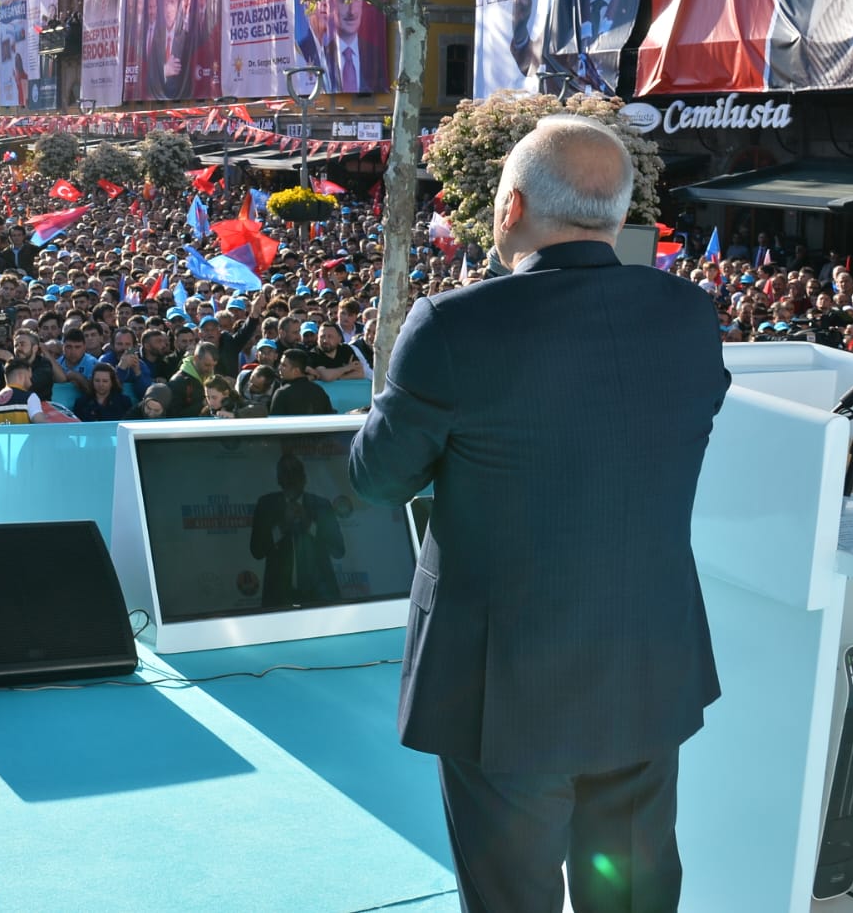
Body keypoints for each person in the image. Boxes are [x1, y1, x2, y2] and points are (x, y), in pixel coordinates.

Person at [349, 114, 729, 913]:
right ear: (619, 214)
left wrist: (393, 401)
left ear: (510, 206)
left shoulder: (454, 325)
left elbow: (379, 479)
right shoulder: (691, 317)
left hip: (504, 685)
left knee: (511, 898)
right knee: (632, 892)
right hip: (646, 663)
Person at [250, 450, 345, 607]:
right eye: (285, 473)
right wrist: (282, 526)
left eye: (295, 472)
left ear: (304, 478)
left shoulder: (321, 505)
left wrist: (310, 524)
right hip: (278, 598)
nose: (291, 478)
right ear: (279, 479)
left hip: (321, 596)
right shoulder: (266, 505)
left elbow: (338, 550)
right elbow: (256, 551)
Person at [268, 349, 335, 416]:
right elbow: (330, 417)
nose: (279, 368)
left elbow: (275, 423)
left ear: (296, 371)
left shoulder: (282, 393)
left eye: (284, 365)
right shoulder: (319, 390)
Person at [0, 357, 47, 424]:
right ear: (21, 375)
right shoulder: (30, 398)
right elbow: (41, 425)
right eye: (29, 378)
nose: (31, 383)